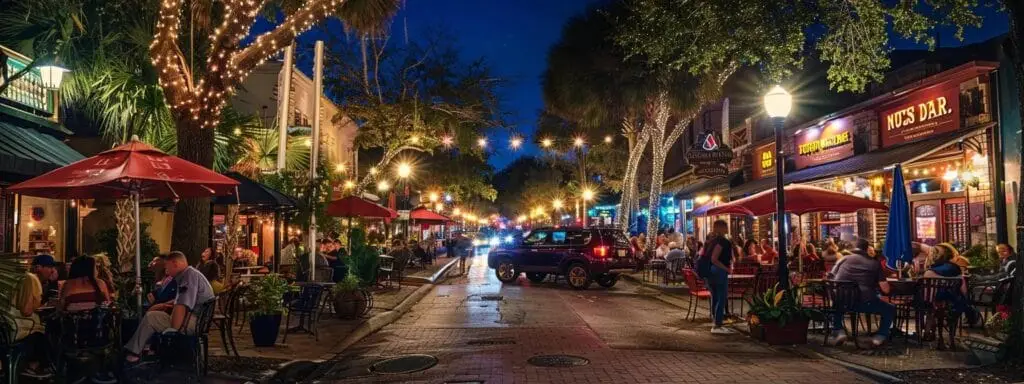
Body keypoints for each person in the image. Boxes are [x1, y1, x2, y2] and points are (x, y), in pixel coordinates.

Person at [125, 251, 214, 363]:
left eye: (167, 267)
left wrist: (173, 330)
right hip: (197, 320)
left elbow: (182, 306)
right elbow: (180, 300)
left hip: (193, 322)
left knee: (151, 318)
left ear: (175, 263)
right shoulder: (190, 274)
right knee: (152, 315)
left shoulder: (188, 276)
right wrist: (163, 306)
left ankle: (134, 353)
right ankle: (140, 350)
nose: (166, 271)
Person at [827, 239, 894, 347]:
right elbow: (885, 289)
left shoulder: (843, 259)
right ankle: (879, 337)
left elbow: (830, 278)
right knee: (889, 309)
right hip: (865, 303)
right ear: (867, 249)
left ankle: (839, 331)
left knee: (836, 305)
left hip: (842, 301)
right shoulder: (874, 263)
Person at [7, 255, 59, 378]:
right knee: (49, 329)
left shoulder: (22, 278)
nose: (52, 271)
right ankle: (35, 366)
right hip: (22, 327)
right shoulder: (31, 279)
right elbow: (26, 310)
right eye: (50, 267)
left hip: (10, 324)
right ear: (38, 267)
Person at [923, 243, 982, 327]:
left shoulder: (931, 270)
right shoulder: (954, 268)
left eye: (933, 253)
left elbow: (927, 276)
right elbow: (964, 290)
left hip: (930, 301)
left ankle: (927, 330)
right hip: (951, 302)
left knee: (927, 300)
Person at [704, 220, 735, 335]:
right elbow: (714, 259)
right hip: (719, 271)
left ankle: (715, 322)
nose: (728, 228)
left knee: (715, 296)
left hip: (710, 272)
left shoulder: (711, 241)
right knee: (722, 297)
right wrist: (726, 268)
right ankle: (717, 324)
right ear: (722, 228)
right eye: (726, 226)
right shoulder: (723, 242)